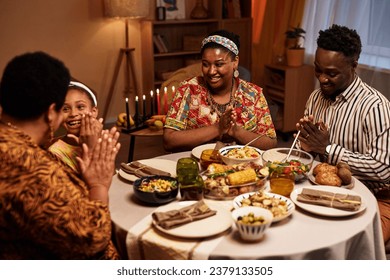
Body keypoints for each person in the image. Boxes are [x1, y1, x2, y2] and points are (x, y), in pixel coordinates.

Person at [0, 51, 121, 259]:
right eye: (64, 109)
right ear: (50, 113)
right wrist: (98, 185)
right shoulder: (32, 169)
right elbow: (93, 239)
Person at [297, 24, 390, 243]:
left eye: (331, 73)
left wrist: (327, 149)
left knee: (345, 243)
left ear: (353, 66)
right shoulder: (315, 97)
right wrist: (305, 144)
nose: (321, 79)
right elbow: (311, 152)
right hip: (328, 189)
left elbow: (384, 169)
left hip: (378, 197)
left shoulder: (375, 107)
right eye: (317, 69)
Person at [163, 30, 277, 152]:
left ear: (235, 62)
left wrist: (236, 131)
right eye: (206, 64)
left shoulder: (253, 94)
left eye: (219, 64)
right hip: (197, 166)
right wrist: (218, 128)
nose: (211, 71)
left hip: (241, 167)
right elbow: (169, 140)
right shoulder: (188, 89)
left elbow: (270, 142)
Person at [49, 80, 103, 173]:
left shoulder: (102, 138)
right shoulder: (54, 153)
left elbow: (109, 175)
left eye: (80, 107)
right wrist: (90, 149)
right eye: (65, 109)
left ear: (93, 112)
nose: (73, 114)